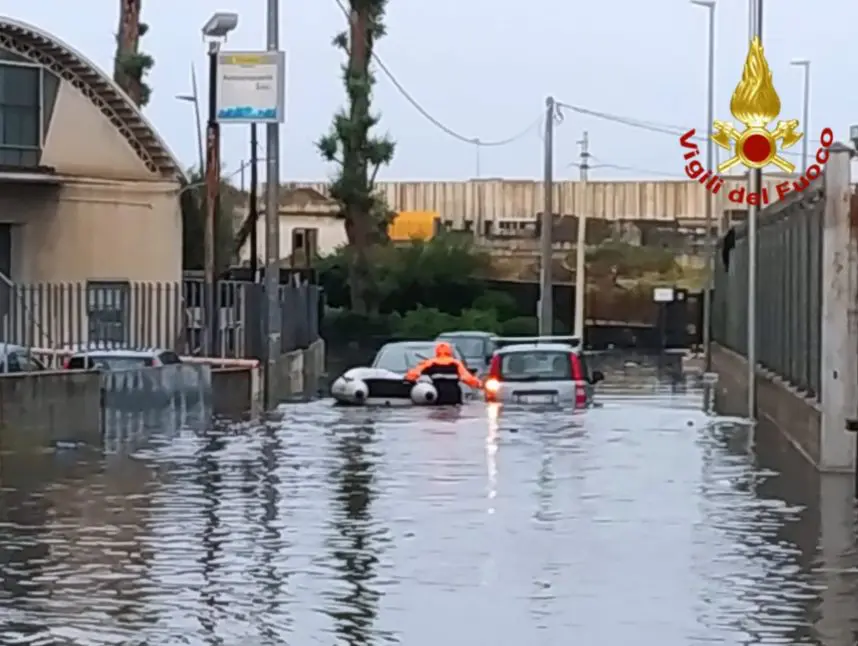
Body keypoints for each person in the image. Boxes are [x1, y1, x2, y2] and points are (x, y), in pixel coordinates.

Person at [405, 342, 482, 405]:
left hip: (438, 394)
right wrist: (479, 384)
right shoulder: (456, 363)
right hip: (454, 395)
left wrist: (408, 378)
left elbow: (413, 374)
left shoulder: (430, 363)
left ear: (436, 351)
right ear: (450, 351)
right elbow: (467, 378)